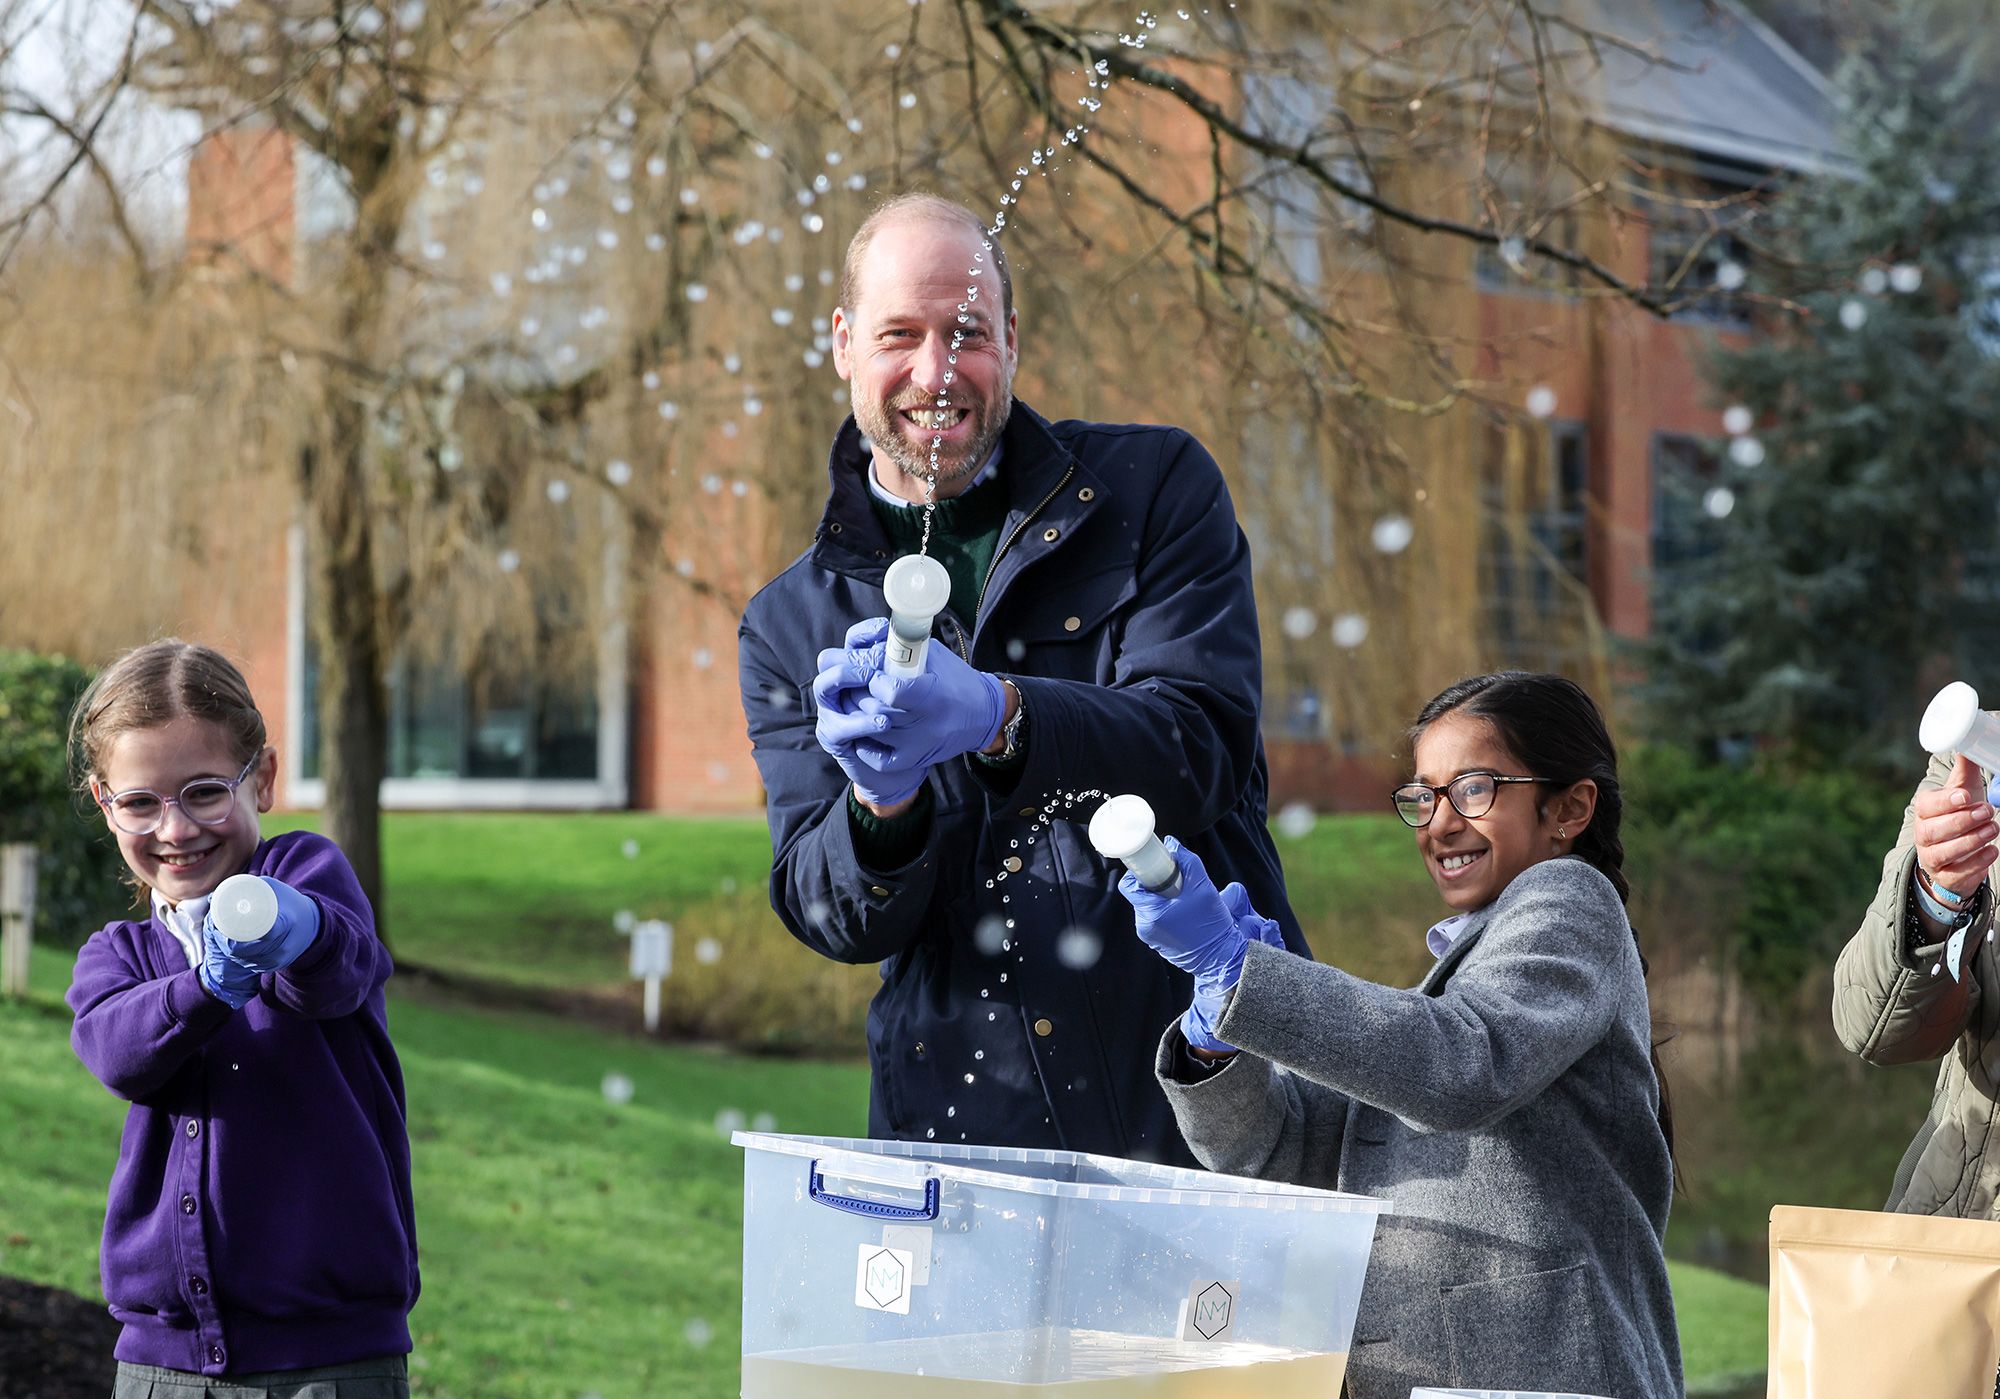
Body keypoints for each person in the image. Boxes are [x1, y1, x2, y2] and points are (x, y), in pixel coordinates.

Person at [736, 192, 1308, 1163]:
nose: (932, 372)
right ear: (841, 343)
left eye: (964, 333)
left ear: (1010, 336)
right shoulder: (789, 620)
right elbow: (832, 916)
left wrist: (1001, 716)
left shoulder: (1152, 490)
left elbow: (1200, 746)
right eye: (896, 335)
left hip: (1206, 1096)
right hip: (965, 1137)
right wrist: (880, 803)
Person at [1116, 672, 1682, 1399]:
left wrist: (1245, 976)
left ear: (1569, 808)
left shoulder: (1571, 897)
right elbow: (1278, 1155)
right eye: (1423, 795)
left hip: (1538, 1376)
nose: (1440, 821)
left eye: (1473, 788)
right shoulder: (1448, 985)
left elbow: (1465, 1064)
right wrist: (1217, 1043)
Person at [64, 640, 418, 1398]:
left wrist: (287, 927)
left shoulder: (309, 873)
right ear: (104, 801)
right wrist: (207, 986)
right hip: (162, 1368)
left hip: (331, 1364)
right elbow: (122, 1054)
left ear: (261, 776)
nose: (175, 828)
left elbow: (333, 971)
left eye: (203, 792)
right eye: (140, 801)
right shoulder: (114, 955)